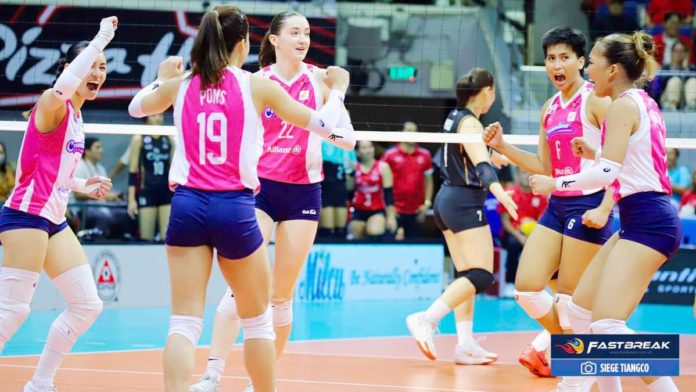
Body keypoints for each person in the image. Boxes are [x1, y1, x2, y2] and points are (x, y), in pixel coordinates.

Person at [127, 5, 352, 392]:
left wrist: (159, 80)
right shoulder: (256, 84)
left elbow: (135, 107)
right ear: (247, 43)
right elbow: (326, 127)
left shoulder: (181, 83)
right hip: (235, 205)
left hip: (188, 205)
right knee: (258, 320)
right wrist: (341, 92)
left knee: (183, 323)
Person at [529, 30, 681, 392]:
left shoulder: (622, 106)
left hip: (650, 220)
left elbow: (610, 173)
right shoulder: (639, 101)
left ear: (612, 69)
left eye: (593, 62)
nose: (589, 70)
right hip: (639, 217)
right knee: (580, 313)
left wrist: (556, 183)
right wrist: (595, 153)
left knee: (607, 325)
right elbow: (632, 160)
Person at [483, 27, 614, 382]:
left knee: (570, 302)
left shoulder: (596, 100)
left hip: (588, 203)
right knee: (526, 288)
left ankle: (579, 370)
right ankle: (566, 347)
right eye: (551, 59)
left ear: (581, 62)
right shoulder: (549, 108)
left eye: (565, 57)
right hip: (558, 204)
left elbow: (620, 160)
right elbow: (545, 166)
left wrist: (604, 207)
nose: (557, 65)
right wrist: (504, 147)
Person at [0, 17, 117, 392]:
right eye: (92, 64)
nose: (98, 71)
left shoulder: (78, 118)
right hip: (25, 216)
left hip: (53, 220)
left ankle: (40, 384)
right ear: (70, 69)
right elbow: (63, 88)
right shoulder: (52, 103)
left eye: (103, 66)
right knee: (14, 310)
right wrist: (100, 38)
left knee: (87, 304)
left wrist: (84, 183)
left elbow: (57, 174)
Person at [405, 68, 518, 365]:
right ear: (487, 91)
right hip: (465, 202)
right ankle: (426, 319)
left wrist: (497, 156)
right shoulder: (469, 123)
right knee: (481, 275)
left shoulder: (455, 118)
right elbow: (481, 166)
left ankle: (465, 345)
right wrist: (501, 192)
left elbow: (464, 155)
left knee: (466, 276)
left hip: (447, 200)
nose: (493, 97)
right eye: (493, 91)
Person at [498, 168, 548, 297]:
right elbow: (505, 221)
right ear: (518, 174)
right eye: (524, 173)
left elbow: (542, 221)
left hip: (534, 235)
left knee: (545, 247)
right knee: (513, 244)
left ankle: (536, 285)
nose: (527, 176)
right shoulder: (509, 193)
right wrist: (519, 236)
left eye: (531, 174)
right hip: (513, 234)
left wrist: (532, 237)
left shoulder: (541, 196)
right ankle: (510, 283)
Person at [382, 121, 434, 240]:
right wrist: (389, 209)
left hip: (416, 212)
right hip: (394, 210)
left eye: (415, 131)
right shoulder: (390, 155)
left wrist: (426, 204)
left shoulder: (425, 155)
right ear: (401, 133)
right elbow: (382, 183)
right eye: (409, 130)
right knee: (391, 245)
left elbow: (429, 181)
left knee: (413, 246)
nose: (412, 134)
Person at [126, 114, 174, 241]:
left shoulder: (169, 138)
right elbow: (133, 170)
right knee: (146, 237)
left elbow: (175, 168)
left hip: (166, 191)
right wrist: (131, 199)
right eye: (155, 115)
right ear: (146, 118)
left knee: (167, 238)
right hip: (147, 190)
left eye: (161, 115)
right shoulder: (139, 138)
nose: (159, 118)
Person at [349, 140, 397, 240]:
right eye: (364, 148)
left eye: (370, 147)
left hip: (376, 210)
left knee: (374, 230)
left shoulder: (383, 167)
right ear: (358, 152)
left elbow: (389, 195)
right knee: (355, 233)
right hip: (358, 210)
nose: (369, 150)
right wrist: (349, 173)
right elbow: (349, 191)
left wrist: (391, 217)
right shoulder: (354, 167)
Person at [319, 139, 357, 240]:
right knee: (327, 231)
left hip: (340, 188)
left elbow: (353, 170)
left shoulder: (347, 144)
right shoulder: (322, 140)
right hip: (325, 187)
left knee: (341, 231)